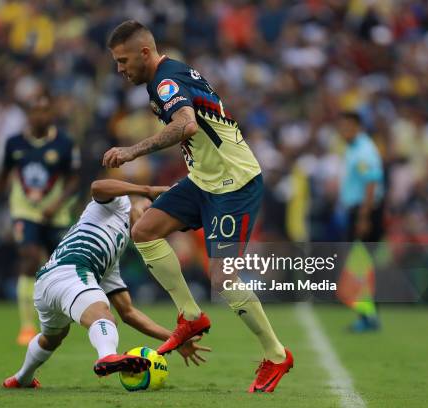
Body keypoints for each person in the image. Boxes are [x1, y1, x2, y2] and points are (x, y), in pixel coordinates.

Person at [102, 20, 292, 393]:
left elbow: (186, 125)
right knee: (143, 231)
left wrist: (132, 150)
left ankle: (276, 354)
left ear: (145, 53)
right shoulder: (167, 75)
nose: (120, 70)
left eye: (123, 61)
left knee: (223, 279)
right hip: (203, 180)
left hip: (234, 185)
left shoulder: (165, 81)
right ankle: (190, 315)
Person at [2, 179, 210, 388]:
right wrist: (146, 190)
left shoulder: (113, 258)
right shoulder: (118, 203)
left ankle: (21, 378)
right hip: (70, 271)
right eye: (147, 208)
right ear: (137, 200)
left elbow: (128, 313)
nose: (148, 215)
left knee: (53, 337)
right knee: (102, 313)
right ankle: (108, 356)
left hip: (49, 282)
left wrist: (175, 339)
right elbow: (97, 187)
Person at [0, 89, 81, 345]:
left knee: (61, 266)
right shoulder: (15, 143)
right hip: (24, 211)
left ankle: (64, 316)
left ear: (52, 114)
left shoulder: (64, 144)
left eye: (45, 110)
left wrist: (57, 204)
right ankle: (26, 326)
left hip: (55, 213)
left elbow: (74, 180)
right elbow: (4, 174)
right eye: (36, 110)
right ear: (28, 114)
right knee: (28, 258)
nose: (40, 115)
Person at [337, 111, 385, 332]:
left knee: (360, 265)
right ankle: (367, 314)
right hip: (359, 210)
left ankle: (367, 317)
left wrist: (363, 217)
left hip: (365, 211)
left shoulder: (364, 150)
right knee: (360, 264)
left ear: (358, 127)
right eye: (342, 127)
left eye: (348, 127)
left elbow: (371, 184)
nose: (343, 131)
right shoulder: (355, 148)